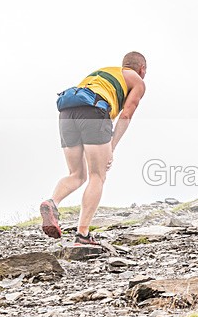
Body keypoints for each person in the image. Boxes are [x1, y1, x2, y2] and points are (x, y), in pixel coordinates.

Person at [39, 52, 147, 245]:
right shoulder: (137, 80)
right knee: (97, 175)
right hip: (94, 111)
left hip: (67, 113)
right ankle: (83, 234)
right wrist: (111, 147)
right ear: (142, 69)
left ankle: (52, 203)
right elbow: (126, 115)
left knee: (76, 174)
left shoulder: (102, 72)